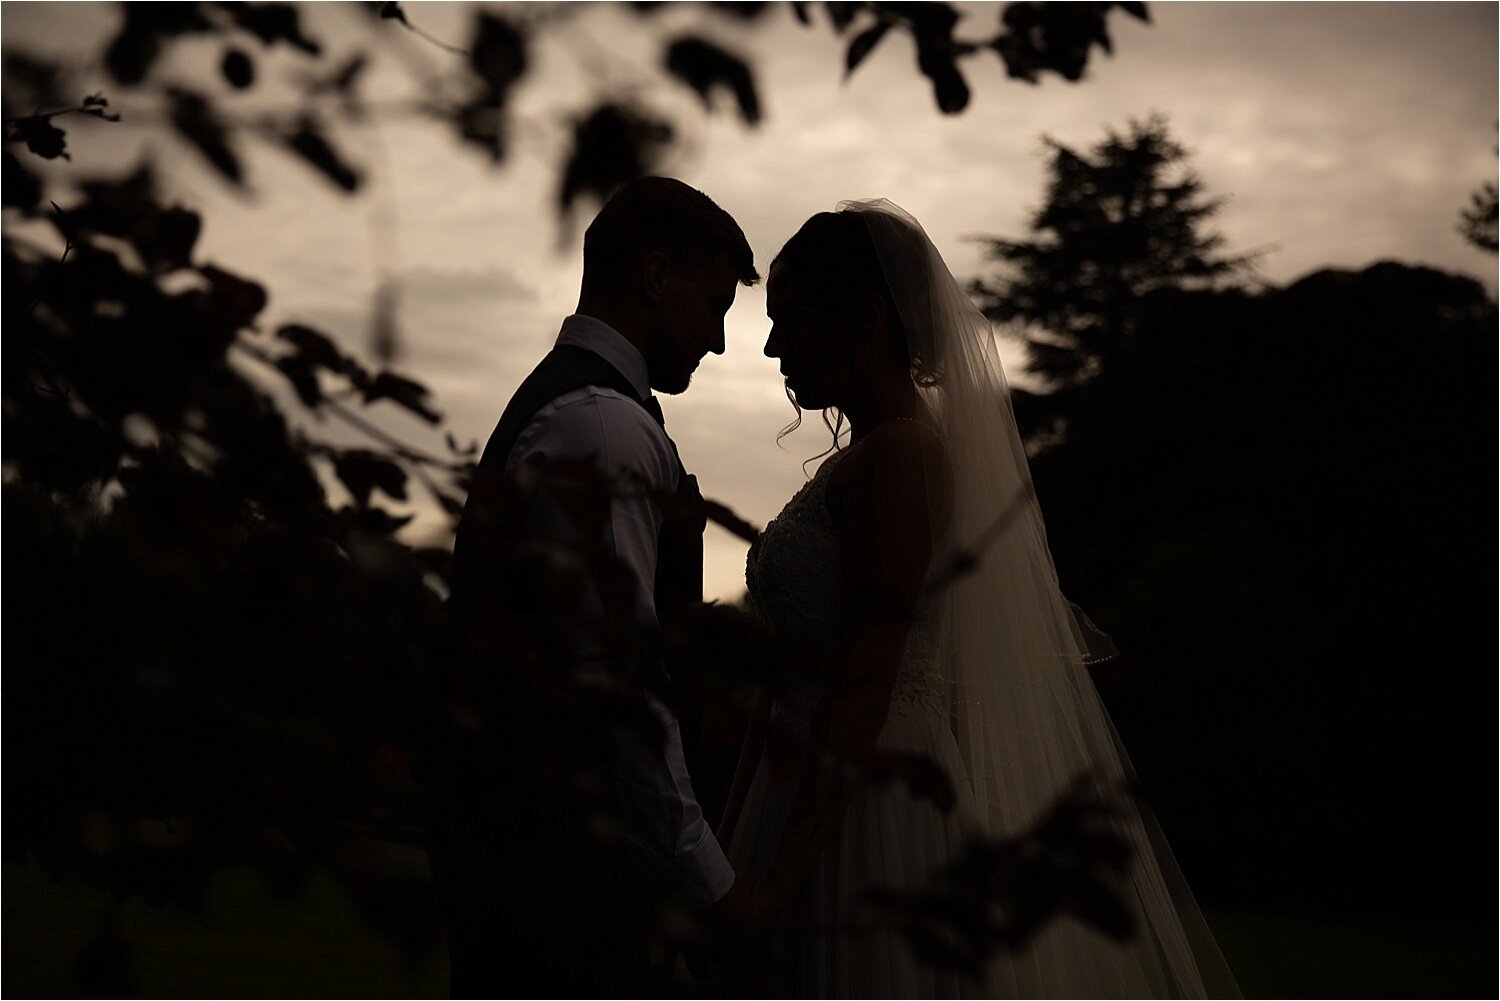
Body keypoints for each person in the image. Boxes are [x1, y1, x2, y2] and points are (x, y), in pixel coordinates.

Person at [719, 200, 1239, 997]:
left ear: (863, 317)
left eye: (790, 319)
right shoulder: (866, 457)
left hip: (865, 811)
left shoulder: (900, 457)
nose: (772, 346)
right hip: (802, 784)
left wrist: (778, 884)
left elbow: (866, 681)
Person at [434, 177, 760, 996]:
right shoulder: (602, 423)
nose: (719, 341)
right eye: (715, 304)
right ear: (655, 277)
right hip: (555, 883)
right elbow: (618, 694)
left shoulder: (587, 407)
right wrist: (715, 888)